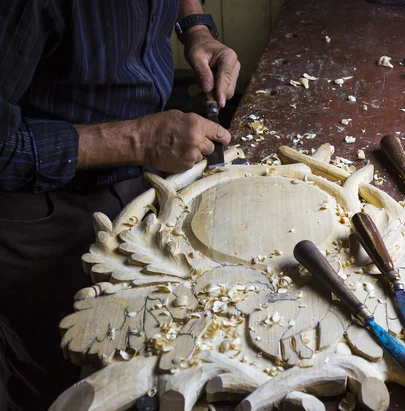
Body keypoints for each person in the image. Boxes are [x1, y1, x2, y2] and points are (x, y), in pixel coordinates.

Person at [0, 1, 240, 409]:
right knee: (68, 372)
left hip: (144, 174)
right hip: (43, 207)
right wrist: (137, 140)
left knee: (154, 350)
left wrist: (196, 28)